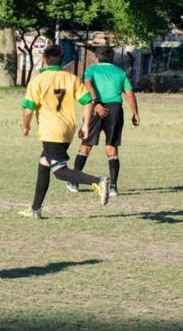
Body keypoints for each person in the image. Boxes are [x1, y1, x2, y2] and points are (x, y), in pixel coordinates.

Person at [20, 45, 110, 219]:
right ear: (61, 61)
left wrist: (26, 126)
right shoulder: (71, 78)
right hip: (67, 129)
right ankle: (35, 209)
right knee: (44, 164)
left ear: (44, 60)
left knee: (59, 171)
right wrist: (85, 126)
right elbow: (87, 102)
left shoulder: (38, 80)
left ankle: (98, 181)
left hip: (50, 131)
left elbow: (28, 109)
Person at [67, 46, 140, 197]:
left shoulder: (91, 70)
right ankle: (113, 186)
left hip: (95, 108)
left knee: (85, 145)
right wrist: (135, 114)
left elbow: (88, 84)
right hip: (115, 110)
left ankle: (74, 182)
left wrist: (95, 103)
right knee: (112, 148)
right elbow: (130, 94)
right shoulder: (120, 72)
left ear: (97, 58)